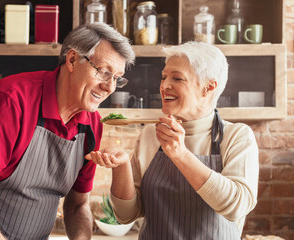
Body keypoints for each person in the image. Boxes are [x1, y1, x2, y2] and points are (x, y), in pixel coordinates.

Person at [0, 23, 135, 240]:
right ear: (72, 60)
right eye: (104, 72)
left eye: (117, 78)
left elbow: (77, 207)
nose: (110, 87)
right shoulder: (11, 102)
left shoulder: (92, 125)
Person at [86, 42, 259, 239]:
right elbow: (126, 215)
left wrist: (180, 154)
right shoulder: (151, 135)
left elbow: (237, 206)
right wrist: (122, 166)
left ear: (208, 87)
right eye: (164, 77)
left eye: (177, 78)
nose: (164, 85)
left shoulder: (236, 137)